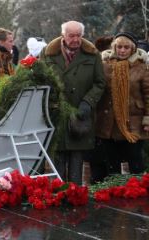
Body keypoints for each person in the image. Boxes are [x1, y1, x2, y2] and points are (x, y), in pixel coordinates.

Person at [39, 21, 105, 185]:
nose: (76, 39)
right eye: (71, 36)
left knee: (77, 161)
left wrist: (88, 103)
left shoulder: (92, 54)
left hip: (80, 116)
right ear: (63, 36)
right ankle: (58, 197)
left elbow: (100, 83)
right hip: (55, 115)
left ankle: (75, 198)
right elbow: (39, 80)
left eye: (79, 35)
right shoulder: (47, 53)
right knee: (57, 160)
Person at [92, 32, 149, 183]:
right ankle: (114, 191)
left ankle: (140, 193)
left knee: (135, 162)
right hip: (108, 123)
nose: (122, 50)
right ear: (114, 48)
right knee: (112, 164)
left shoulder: (142, 68)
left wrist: (147, 119)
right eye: (119, 47)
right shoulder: (104, 66)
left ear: (133, 49)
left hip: (133, 124)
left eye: (126, 47)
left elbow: (148, 95)